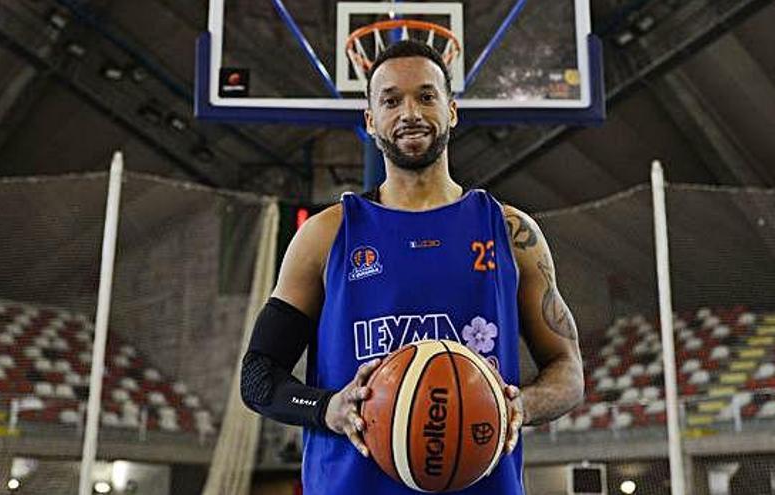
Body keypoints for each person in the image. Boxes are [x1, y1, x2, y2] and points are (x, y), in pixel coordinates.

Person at [241, 40, 584, 494]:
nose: (410, 113)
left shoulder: (512, 232)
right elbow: (259, 374)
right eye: (390, 100)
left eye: (426, 96)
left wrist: (520, 405)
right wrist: (328, 407)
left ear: (452, 110)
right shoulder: (325, 235)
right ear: (370, 120)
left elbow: (568, 369)